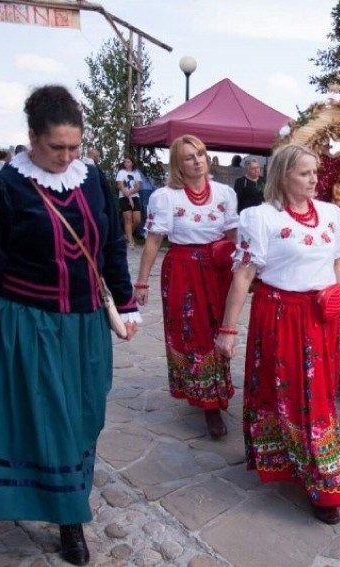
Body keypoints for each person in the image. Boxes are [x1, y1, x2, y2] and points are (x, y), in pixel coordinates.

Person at [0, 85, 140, 566]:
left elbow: (110, 250)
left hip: (85, 326)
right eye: (55, 147)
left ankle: (65, 496)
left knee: (85, 418)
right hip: (29, 323)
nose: (65, 157)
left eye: (73, 148)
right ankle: (70, 520)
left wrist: (125, 305)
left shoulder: (93, 180)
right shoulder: (3, 188)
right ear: (31, 138)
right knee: (52, 421)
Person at [217, 144, 340, 525]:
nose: (314, 179)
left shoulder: (330, 213)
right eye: (304, 173)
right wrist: (228, 330)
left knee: (319, 396)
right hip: (279, 315)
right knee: (291, 394)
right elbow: (244, 275)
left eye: (315, 172)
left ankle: (314, 467)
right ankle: (319, 480)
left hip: (321, 319)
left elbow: (335, 262)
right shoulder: (259, 218)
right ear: (282, 176)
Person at [134, 134, 239, 438]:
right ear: (179, 163)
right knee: (193, 332)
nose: (197, 161)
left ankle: (215, 390)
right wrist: (142, 282)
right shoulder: (166, 197)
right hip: (182, 268)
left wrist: (246, 270)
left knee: (220, 329)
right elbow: (154, 240)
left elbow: (233, 236)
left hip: (217, 268)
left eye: (201, 154)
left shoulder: (224, 193)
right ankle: (208, 404)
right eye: (189, 157)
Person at [115, 156, 142, 248]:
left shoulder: (136, 173)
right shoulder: (121, 172)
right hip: (123, 197)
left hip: (134, 196)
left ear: (132, 163)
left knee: (137, 219)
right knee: (128, 219)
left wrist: (130, 193)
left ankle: (127, 234)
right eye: (125, 162)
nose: (126, 163)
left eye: (128, 162)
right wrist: (128, 196)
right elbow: (120, 186)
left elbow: (138, 186)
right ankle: (130, 241)